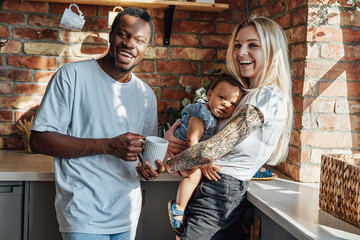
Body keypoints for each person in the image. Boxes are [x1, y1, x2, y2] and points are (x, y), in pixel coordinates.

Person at [30, 7, 164, 240]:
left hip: (126, 214)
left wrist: (150, 170)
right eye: (124, 34)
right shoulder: (72, 76)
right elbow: (39, 140)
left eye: (139, 40)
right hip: (82, 214)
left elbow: (144, 157)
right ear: (111, 35)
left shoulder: (146, 95)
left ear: (146, 49)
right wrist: (108, 146)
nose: (129, 44)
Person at [165, 15, 294, 240]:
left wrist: (166, 165)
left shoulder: (268, 96)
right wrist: (172, 139)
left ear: (273, 51)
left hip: (220, 193)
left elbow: (210, 150)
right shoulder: (247, 94)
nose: (241, 52)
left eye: (253, 45)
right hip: (212, 190)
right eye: (238, 45)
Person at [168, 76, 243, 236]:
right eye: (221, 97)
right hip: (180, 153)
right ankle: (179, 208)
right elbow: (191, 140)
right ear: (209, 95)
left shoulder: (216, 119)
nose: (226, 104)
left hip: (189, 155)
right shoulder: (202, 113)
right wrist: (203, 164)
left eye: (233, 103)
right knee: (195, 174)